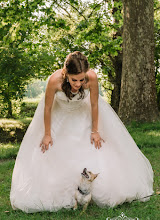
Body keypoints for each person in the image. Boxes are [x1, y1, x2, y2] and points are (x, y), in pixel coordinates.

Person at [10, 51, 153, 213]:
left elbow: (94, 105)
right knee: (54, 153)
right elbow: (48, 108)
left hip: (84, 117)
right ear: (65, 73)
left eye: (81, 79)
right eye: (74, 80)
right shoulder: (54, 80)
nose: (78, 84)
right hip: (60, 118)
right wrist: (48, 134)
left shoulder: (91, 78)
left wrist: (95, 131)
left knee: (96, 150)